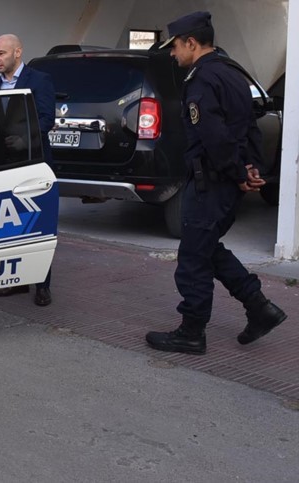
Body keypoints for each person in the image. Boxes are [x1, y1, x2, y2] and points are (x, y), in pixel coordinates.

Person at [145, 11, 286, 355]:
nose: (173, 54)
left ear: (192, 43)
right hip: (223, 182)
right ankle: (259, 307)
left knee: (193, 258)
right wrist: (251, 168)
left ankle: (191, 332)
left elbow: (215, 138)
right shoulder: (233, 72)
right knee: (206, 248)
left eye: (176, 47)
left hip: (211, 183)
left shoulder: (203, 80)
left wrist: (239, 174)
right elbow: (250, 126)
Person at [0, 33, 56, 306]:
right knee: (9, 224)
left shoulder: (39, 81)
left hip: (33, 163)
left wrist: (25, 140)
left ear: (17, 52)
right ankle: (15, 281)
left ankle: (42, 285)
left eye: (1, 53)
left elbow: (46, 119)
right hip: (2, 166)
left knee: (38, 223)